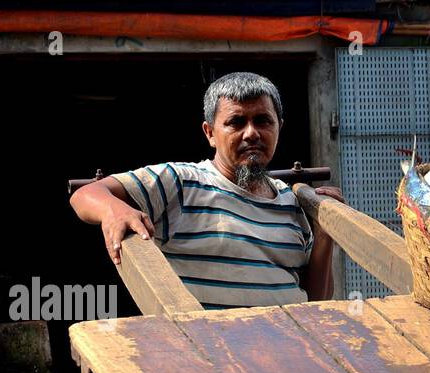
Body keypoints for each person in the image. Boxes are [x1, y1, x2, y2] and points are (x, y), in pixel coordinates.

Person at [70, 71, 343, 308]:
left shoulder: (291, 203)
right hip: (210, 360)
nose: (251, 133)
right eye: (236, 122)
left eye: (263, 121)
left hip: (289, 357)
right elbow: (85, 195)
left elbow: (316, 303)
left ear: (279, 128)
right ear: (210, 133)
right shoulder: (181, 182)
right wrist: (114, 209)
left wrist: (324, 234)